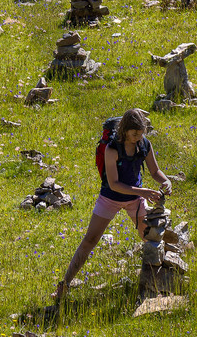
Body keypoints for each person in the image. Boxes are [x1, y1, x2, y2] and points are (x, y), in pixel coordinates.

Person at [54, 108, 170, 303]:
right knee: (90, 240)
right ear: (125, 130)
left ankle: (159, 284)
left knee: (149, 238)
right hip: (110, 198)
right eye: (134, 134)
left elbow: (154, 171)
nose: (138, 138)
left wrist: (166, 181)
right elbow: (114, 184)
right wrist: (142, 192)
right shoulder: (112, 149)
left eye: (141, 133)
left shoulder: (144, 144)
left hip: (135, 199)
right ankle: (64, 284)